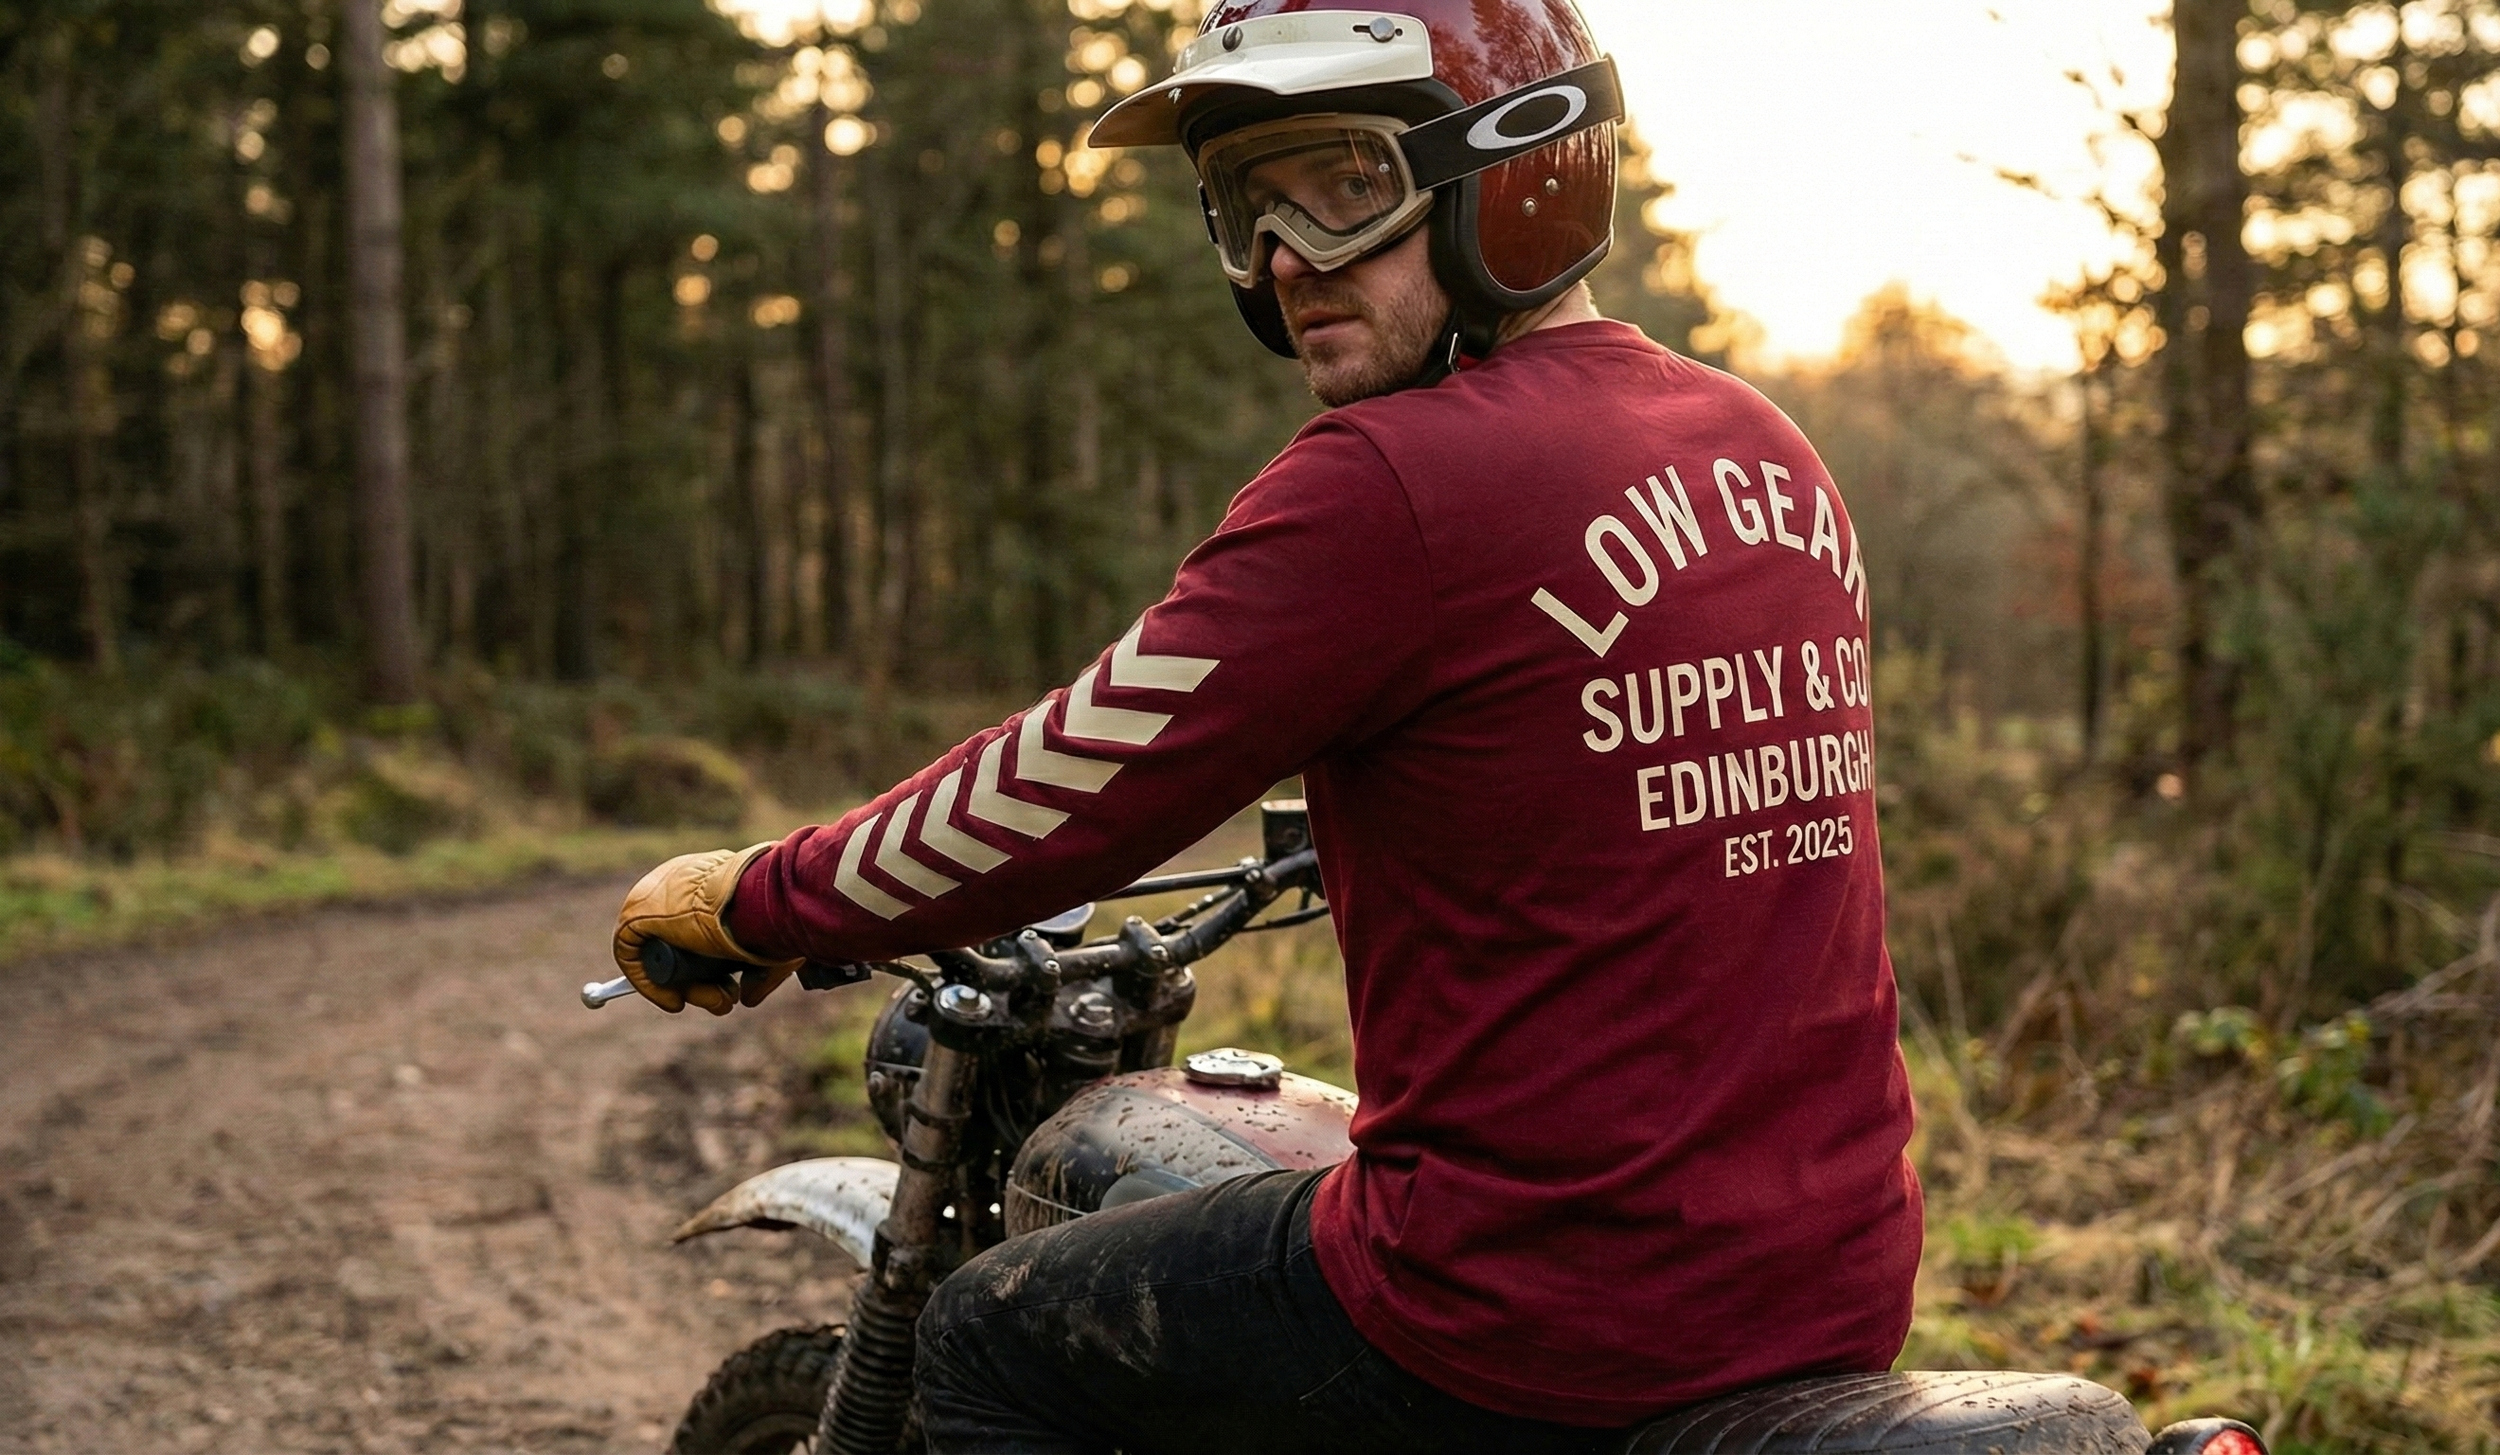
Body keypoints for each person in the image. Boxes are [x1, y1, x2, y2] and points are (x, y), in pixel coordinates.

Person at [610, 0, 1920, 1448]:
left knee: (981, 1333)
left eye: (1346, 185)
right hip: (1831, 1275)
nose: (1287, 257)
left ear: (1516, 175)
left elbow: (1063, 785)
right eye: (1247, 206)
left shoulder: (1392, 483)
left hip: (1531, 1303)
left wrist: (763, 898)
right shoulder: (1766, 451)